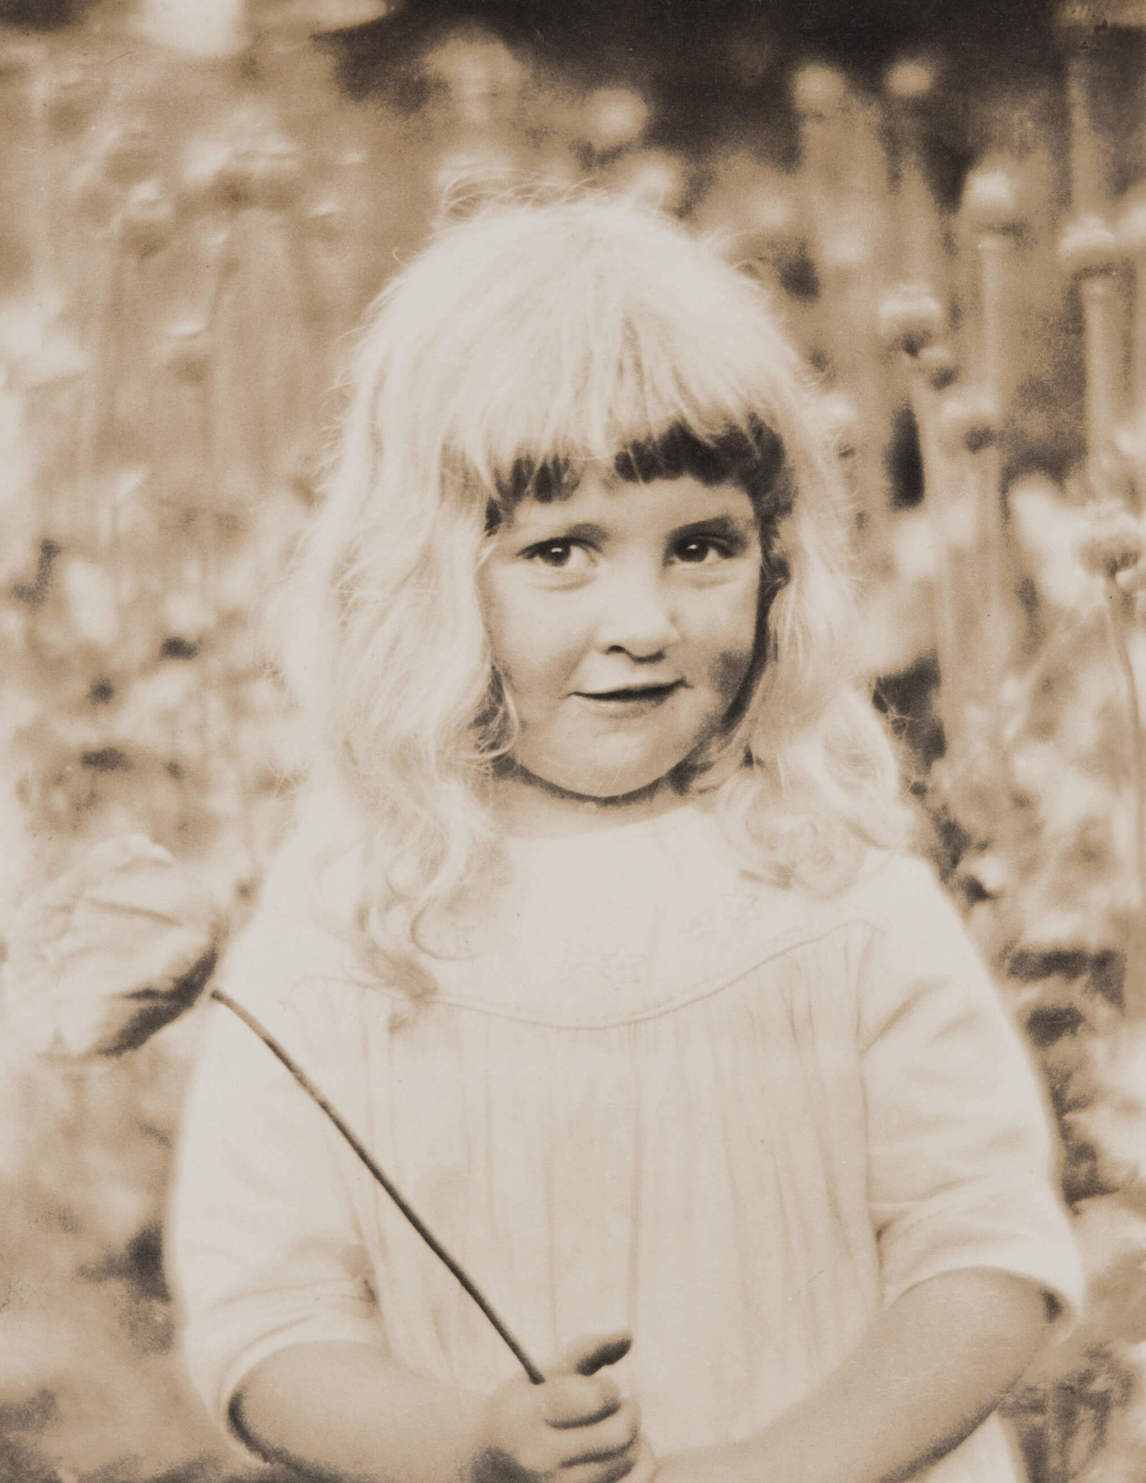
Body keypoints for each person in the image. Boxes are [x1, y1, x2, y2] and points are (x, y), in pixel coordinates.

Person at [167, 193, 1083, 1483]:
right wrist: (470, 1442)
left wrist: (779, 1469)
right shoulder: (358, 915)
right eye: (562, 553)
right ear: (428, 578)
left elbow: (985, 1254)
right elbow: (267, 1322)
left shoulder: (830, 883)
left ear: (776, 564)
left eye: (700, 545)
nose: (643, 618)